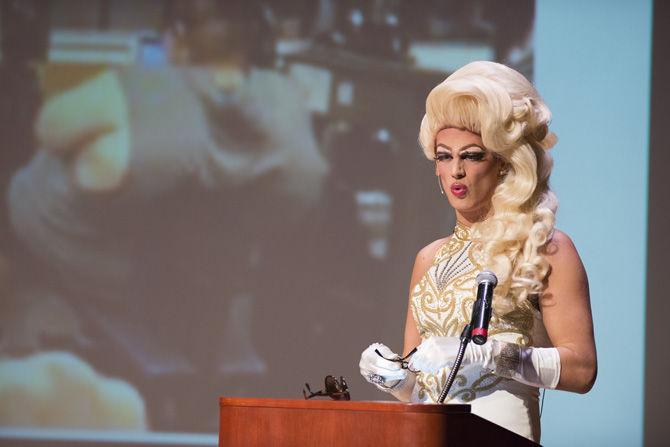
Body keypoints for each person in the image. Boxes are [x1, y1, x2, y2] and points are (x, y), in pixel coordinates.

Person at [359, 61, 597, 443]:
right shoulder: (428, 258)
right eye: (444, 156)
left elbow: (582, 370)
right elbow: (423, 385)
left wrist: (489, 355)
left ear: (502, 164)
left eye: (471, 155)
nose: (455, 170)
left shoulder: (545, 248)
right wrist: (396, 378)